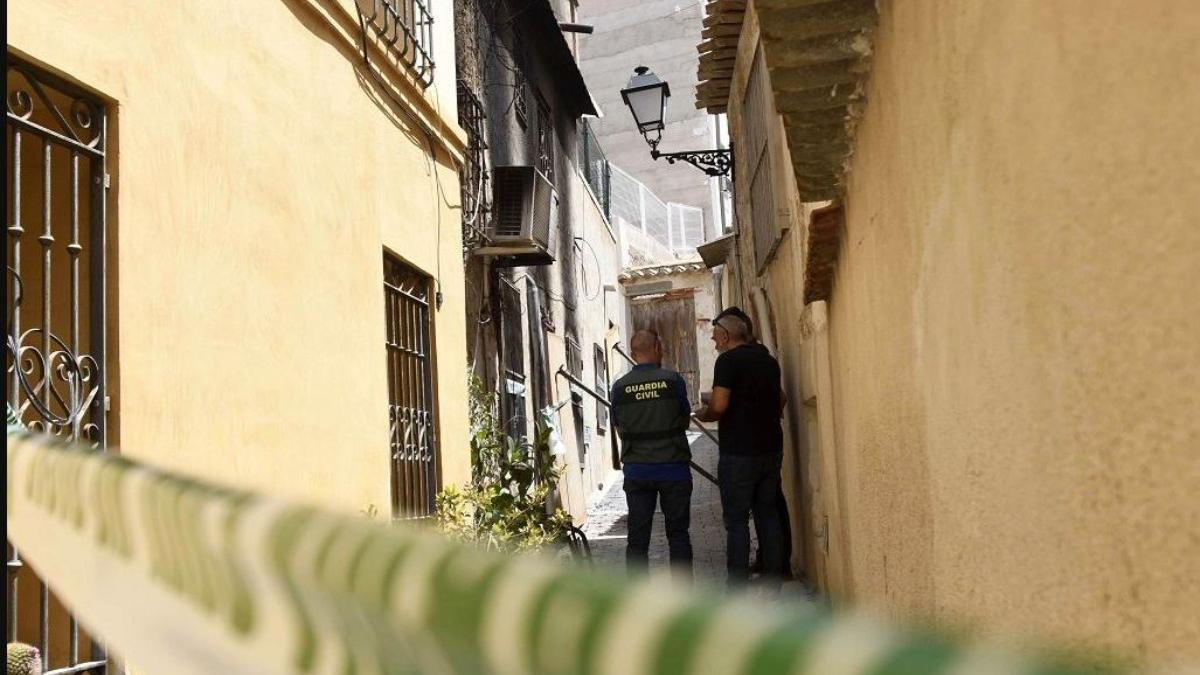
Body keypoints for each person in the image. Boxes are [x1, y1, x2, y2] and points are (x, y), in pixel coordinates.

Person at [695, 312, 786, 589]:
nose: (714, 344)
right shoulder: (768, 361)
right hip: (771, 448)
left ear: (725, 336)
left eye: (715, 338)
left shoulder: (727, 361)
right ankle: (774, 580)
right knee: (767, 514)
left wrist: (705, 414)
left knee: (736, 520)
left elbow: (720, 404)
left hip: (739, 452)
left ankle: (736, 583)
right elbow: (780, 398)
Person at [610, 329, 694, 577]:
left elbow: (619, 429)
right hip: (674, 469)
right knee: (678, 535)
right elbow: (685, 420)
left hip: (637, 470)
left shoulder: (620, 387)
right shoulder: (673, 380)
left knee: (637, 538)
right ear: (657, 347)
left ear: (634, 353)